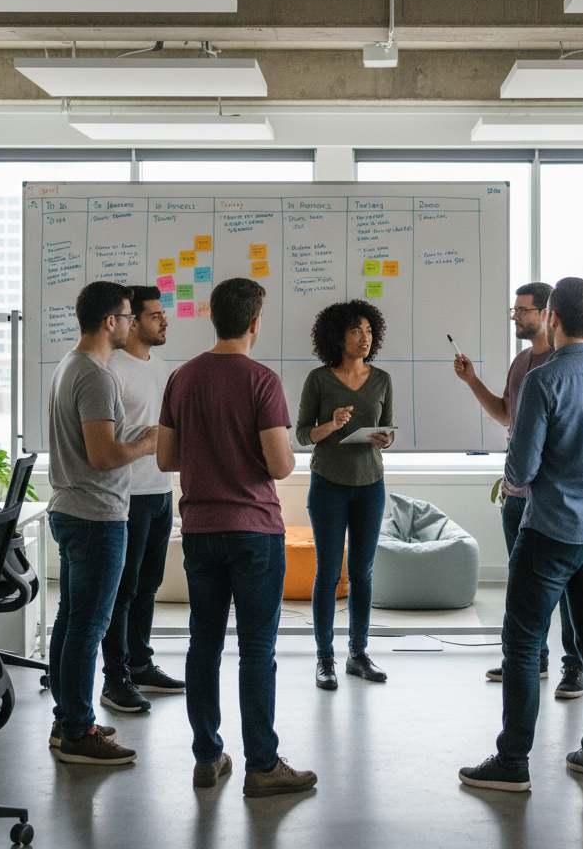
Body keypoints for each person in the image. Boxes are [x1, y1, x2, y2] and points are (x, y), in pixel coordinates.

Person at [459, 277, 583, 791]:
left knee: (520, 642)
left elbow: (519, 471)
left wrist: (528, 474)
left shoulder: (544, 380)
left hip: (551, 531)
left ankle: (513, 762)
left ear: (553, 317)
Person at [157, 278, 316, 797]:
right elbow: (278, 463)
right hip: (253, 532)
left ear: (213, 318)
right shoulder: (262, 380)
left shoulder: (181, 377)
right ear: (254, 322)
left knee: (202, 645)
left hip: (199, 532)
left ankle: (208, 757)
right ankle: (263, 766)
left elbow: (165, 458)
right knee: (256, 650)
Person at [454, 281, 583, 698]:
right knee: (523, 582)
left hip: (553, 497)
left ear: (548, 314)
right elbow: (506, 414)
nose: (516, 317)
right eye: (514, 310)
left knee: (565, 587)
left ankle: (574, 666)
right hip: (516, 494)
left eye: (523, 310)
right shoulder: (522, 361)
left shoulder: (563, 366)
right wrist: (473, 381)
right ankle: (533, 660)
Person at [47, 281, 158, 766]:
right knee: (87, 628)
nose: (134, 324)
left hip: (73, 511)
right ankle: (77, 731)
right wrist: (147, 445)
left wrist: (138, 433)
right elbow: (103, 454)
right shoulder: (97, 376)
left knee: (71, 622)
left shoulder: (70, 365)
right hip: (96, 517)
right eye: (130, 316)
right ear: (111, 321)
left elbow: (101, 437)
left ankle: (67, 718)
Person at [296, 300, 394, 691]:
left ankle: (358, 653)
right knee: (327, 573)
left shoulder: (383, 378)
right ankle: (325, 658)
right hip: (328, 485)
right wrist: (330, 424)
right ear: (338, 336)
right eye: (356, 331)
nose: (365, 338)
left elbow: (386, 432)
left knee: (362, 574)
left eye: (369, 331)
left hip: (370, 484)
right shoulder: (319, 380)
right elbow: (303, 434)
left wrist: (384, 438)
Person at [100, 285, 184, 714]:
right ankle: (115, 678)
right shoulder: (111, 369)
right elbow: (100, 440)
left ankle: (141, 663)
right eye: (154, 315)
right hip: (125, 495)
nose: (163, 321)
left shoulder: (162, 366)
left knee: (147, 586)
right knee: (122, 590)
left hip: (160, 491)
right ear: (132, 322)